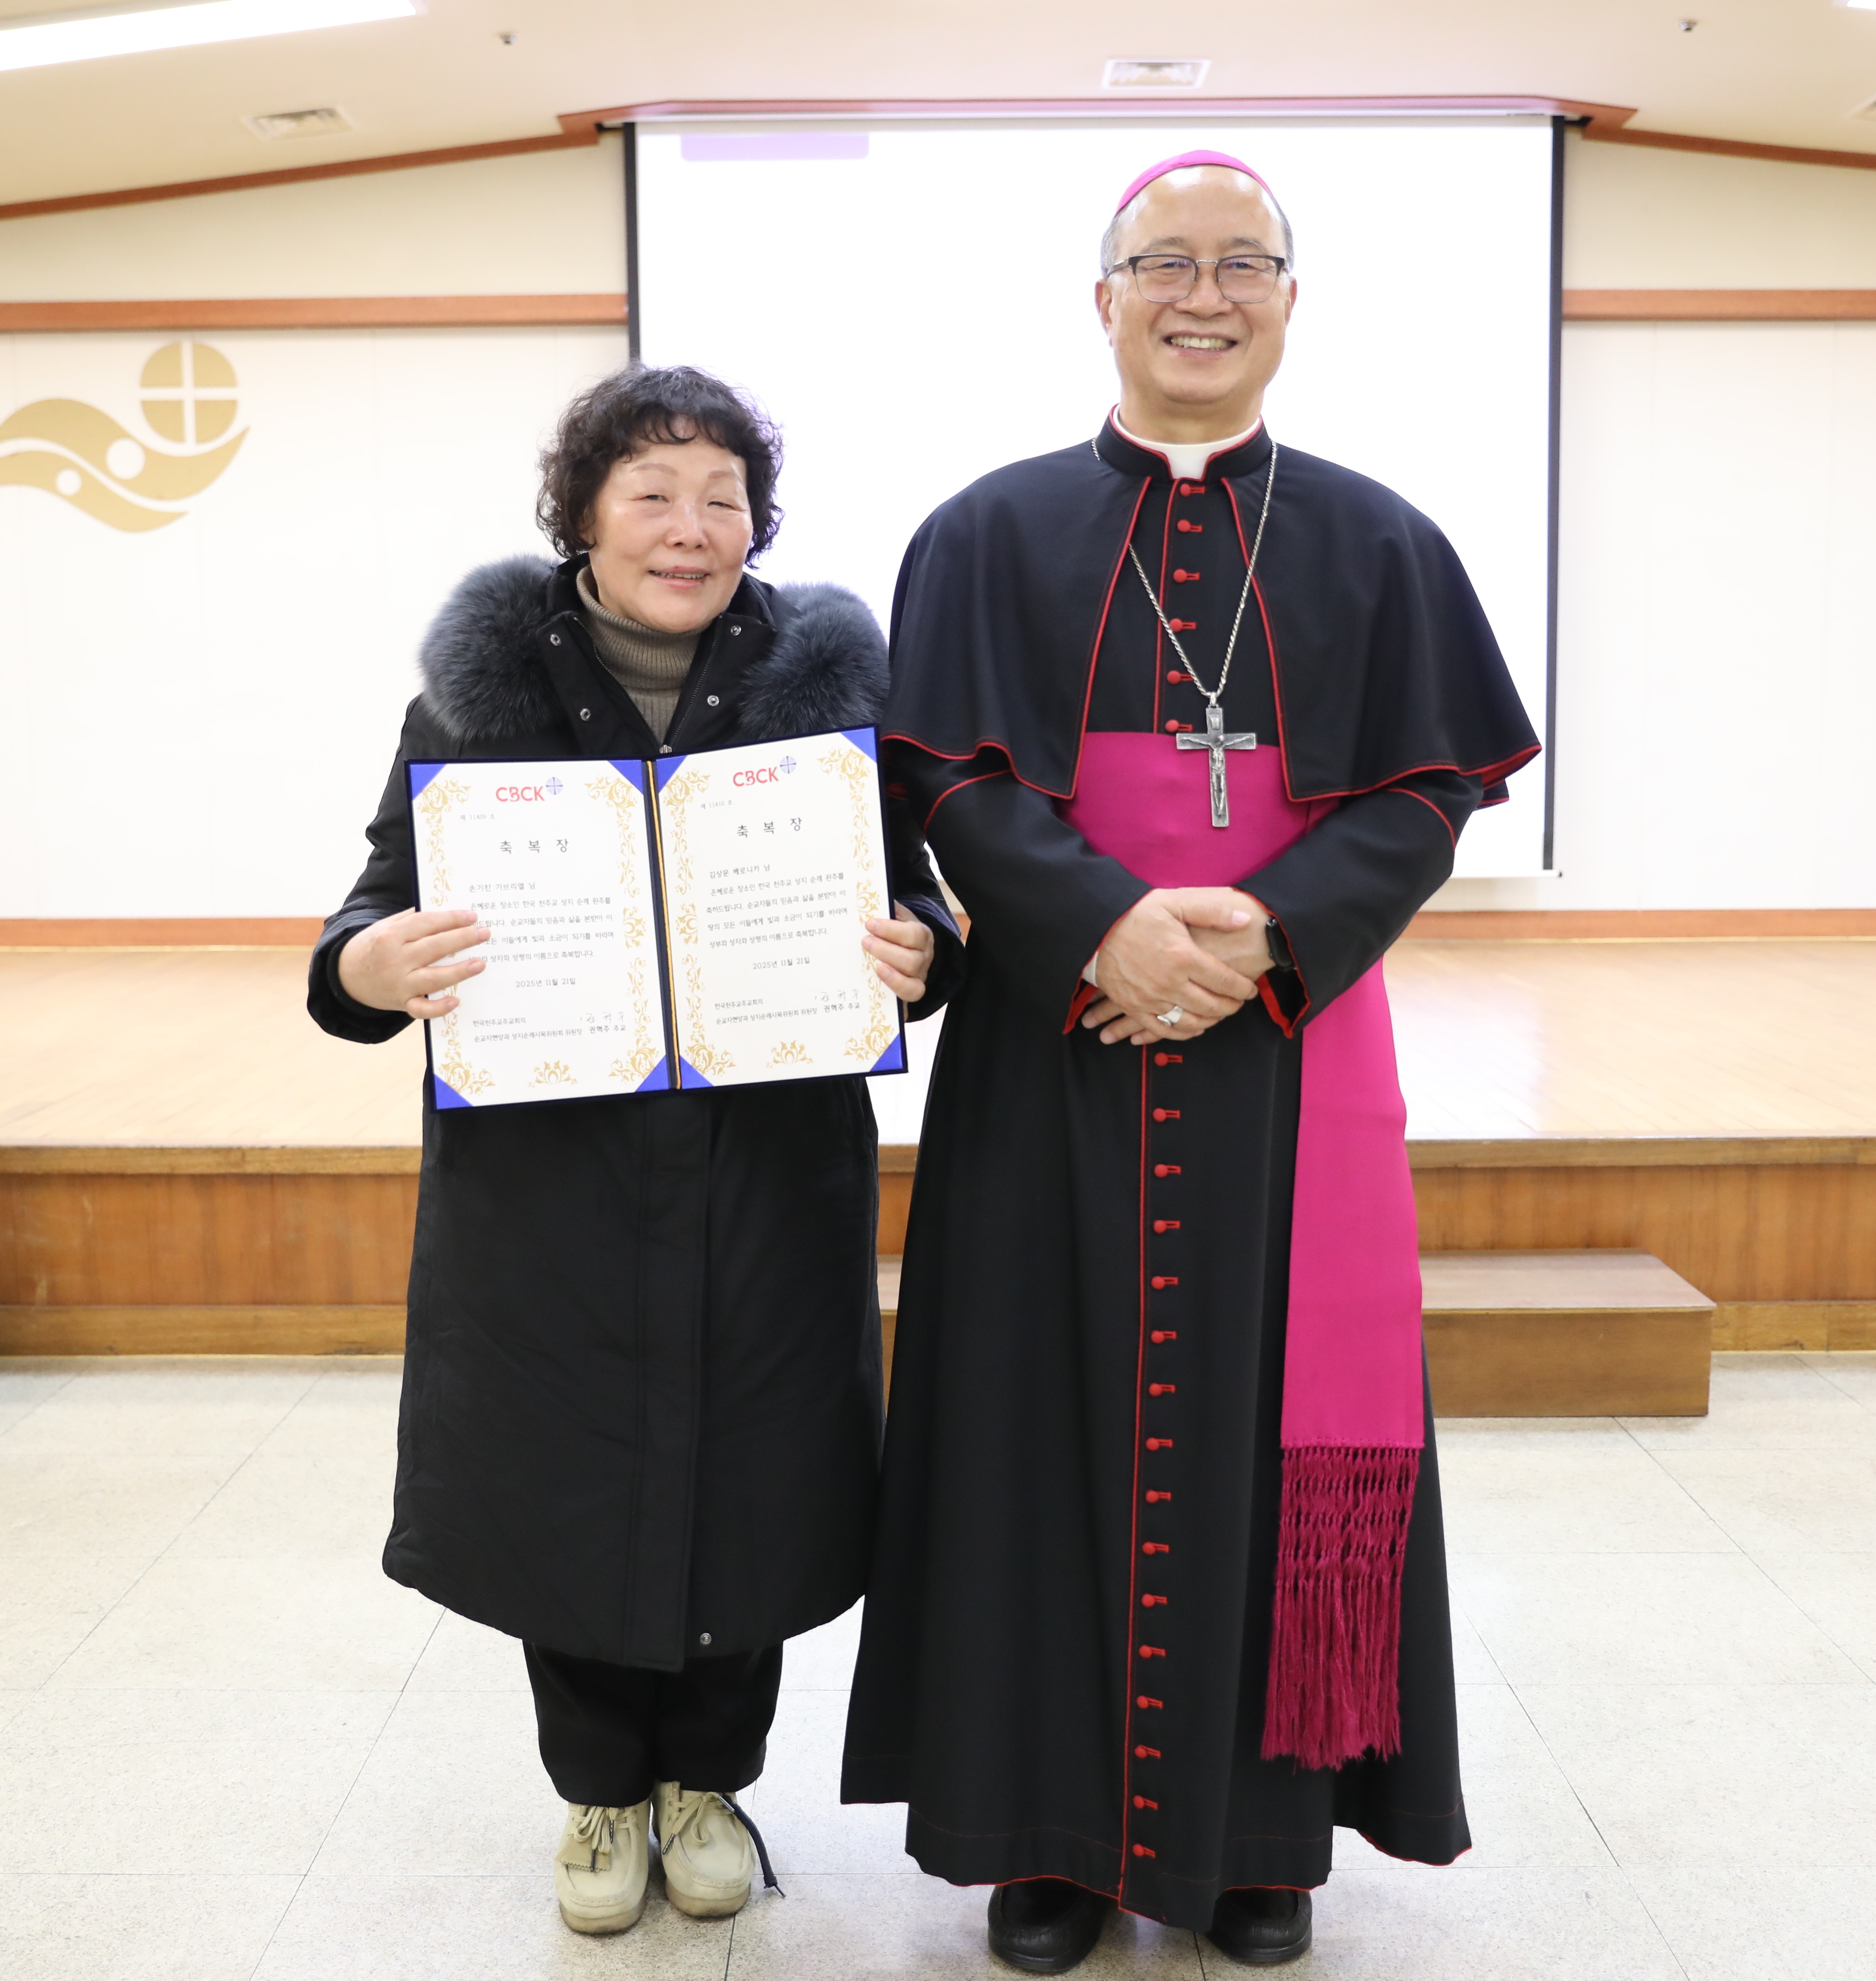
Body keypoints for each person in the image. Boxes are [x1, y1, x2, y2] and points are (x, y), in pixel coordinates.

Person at [842, 154, 1539, 1970]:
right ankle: (1041, 1834)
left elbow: (1426, 788)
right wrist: (1111, 928)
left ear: (1289, 302)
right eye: (1166, 263)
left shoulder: (1378, 539)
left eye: (1243, 264)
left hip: (1285, 1053)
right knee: (1026, 1416)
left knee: (1268, 1419)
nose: (1202, 294)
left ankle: (1261, 1836)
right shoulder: (988, 533)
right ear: (1105, 299)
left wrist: (1258, 935)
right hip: (1054, 1043)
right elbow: (950, 778)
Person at [307, 363, 961, 1936]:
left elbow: (926, 904)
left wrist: (925, 953)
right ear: (582, 514)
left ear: (760, 522)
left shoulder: (834, 696)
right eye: (653, 492)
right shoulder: (472, 698)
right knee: (569, 1478)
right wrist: (368, 969)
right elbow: (365, 916)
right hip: (551, 1184)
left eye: (723, 496)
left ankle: (709, 1780)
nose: (691, 527)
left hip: (766, 1164)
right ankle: (602, 1793)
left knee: (755, 1471)